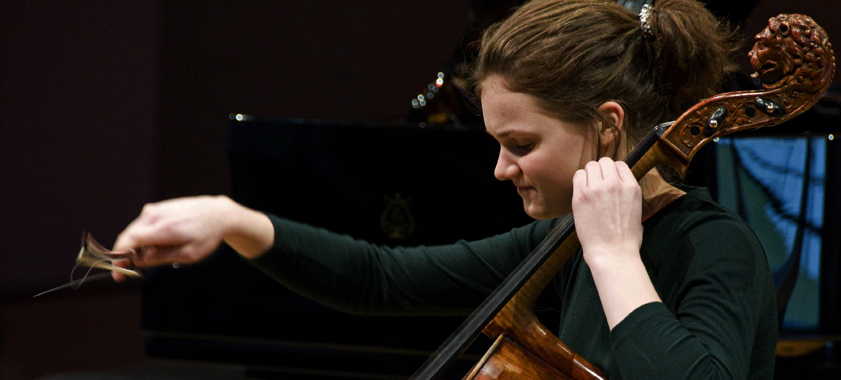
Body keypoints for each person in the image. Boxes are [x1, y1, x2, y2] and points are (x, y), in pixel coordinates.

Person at [112, 0, 778, 379]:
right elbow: (380, 279)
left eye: (520, 145)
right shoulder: (564, 243)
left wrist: (613, 258)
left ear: (607, 128)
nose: (500, 168)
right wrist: (230, 219)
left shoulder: (715, 248)